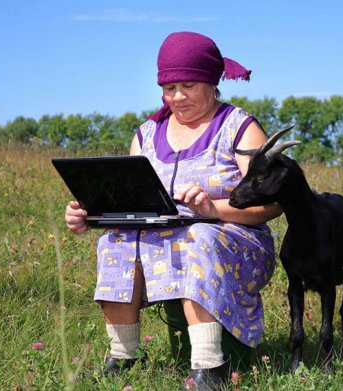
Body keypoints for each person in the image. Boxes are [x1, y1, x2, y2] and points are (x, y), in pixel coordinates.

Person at [65, 31, 281, 389]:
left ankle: (211, 367)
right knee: (115, 241)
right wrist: (91, 214)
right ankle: (124, 357)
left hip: (235, 241)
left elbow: (272, 203)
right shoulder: (147, 134)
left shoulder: (240, 128)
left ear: (212, 83)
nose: (177, 97)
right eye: (169, 87)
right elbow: (128, 199)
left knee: (197, 234)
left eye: (188, 85)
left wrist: (213, 208)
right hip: (160, 238)